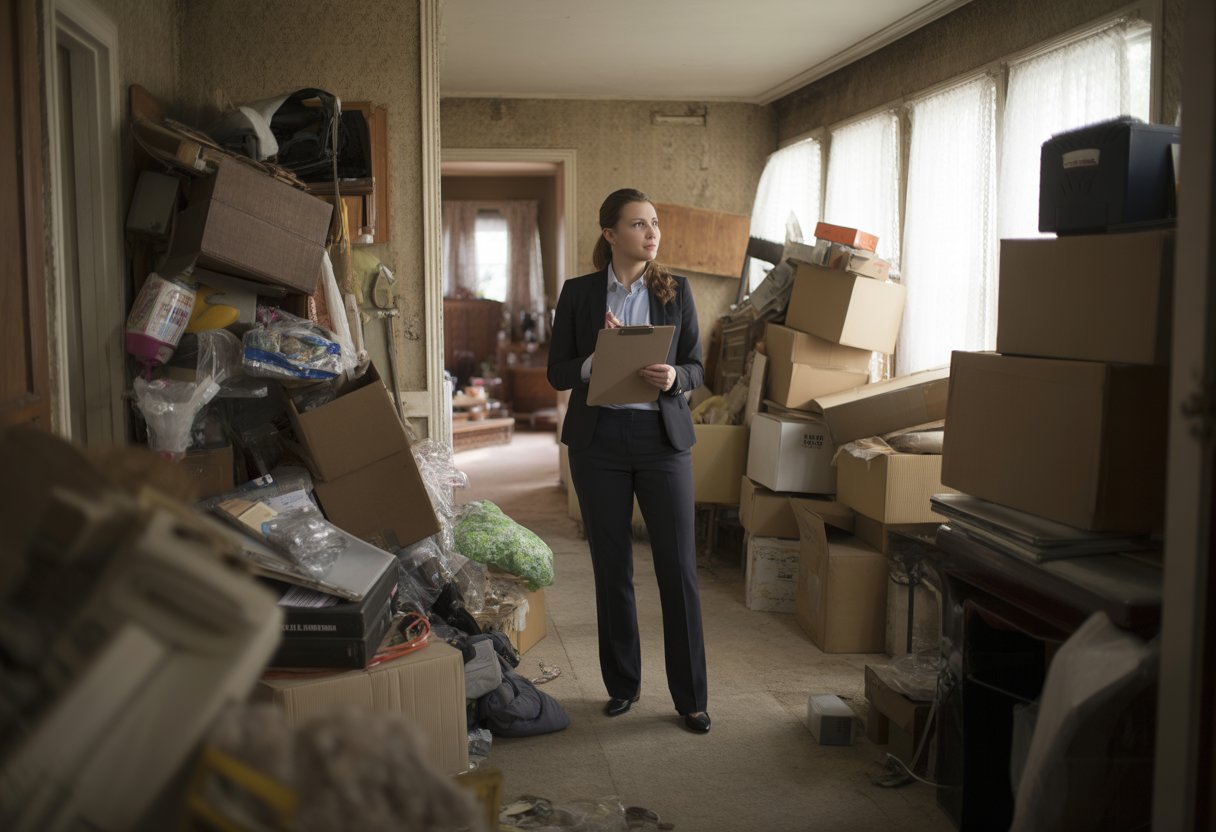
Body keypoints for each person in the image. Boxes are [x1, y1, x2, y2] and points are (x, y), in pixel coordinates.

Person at [547, 188, 710, 734]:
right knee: (612, 568)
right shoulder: (578, 293)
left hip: (663, 441)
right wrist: (594, 358)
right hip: (599, 443)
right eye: (639, 224)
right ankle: (623, 687)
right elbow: (557, 371)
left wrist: (675, 378)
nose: (652, 232)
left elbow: (696, 366)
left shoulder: (677, 291)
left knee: (678, 570)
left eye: (655, 223)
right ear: (610, 234)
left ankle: (690, 699)